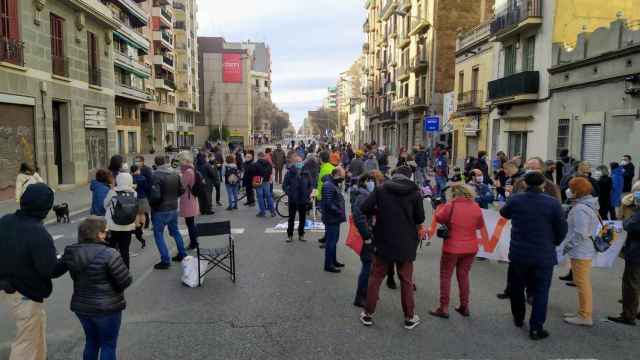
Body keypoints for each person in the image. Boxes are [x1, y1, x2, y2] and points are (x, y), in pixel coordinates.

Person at [499, 172, 568, 340]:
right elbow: (562, 229)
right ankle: (536, 328)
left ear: (524, 184)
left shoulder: (516, 199)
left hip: (519, 253)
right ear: (543, 185)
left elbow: (504, 213)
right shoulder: (553, 203)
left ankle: (518, 317)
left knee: (516, 287)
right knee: (541, 292)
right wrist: (554, 242)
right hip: (544, 254)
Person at [52, 217, 132, 360]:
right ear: (99, 234)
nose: (108, 234)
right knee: (108, 344)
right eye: (106, 231)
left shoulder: (71, 252)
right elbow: (125, 281)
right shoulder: (110, 253)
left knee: (92, 341)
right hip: (107, 307)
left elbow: (55, 271)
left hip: (81, 306)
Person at [360, 166, 425, 330]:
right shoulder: (415, 192)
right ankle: (409, 317)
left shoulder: (381, 189)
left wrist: (379, 212)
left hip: (383, 238)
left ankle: (367, 313)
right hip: (406, 241)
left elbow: (364, 207)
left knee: (376, 276)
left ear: (394, 175)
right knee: (406, 280)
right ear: (409, 177)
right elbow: (420, 217)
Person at [0, 183, 56, 360]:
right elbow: (49, 269)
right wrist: (70, 259)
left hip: (5, 284)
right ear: (45, 208)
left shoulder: (5, 220)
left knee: (36, 331)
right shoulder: (38, 233)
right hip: (24, 292)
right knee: (26, 341)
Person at [429, 184, 485, 319]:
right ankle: (464, 306)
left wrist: (439, 207)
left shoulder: (451, 205)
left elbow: (439, 218)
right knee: (463, 276)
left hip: (452, 247)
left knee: (446, 276)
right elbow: (480, 225)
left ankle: (443, 307)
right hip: (471, 247)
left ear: (453, 193)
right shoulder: (476, 206)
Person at [562, 177, 599, 327]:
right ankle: (582, 311)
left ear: (577, 191)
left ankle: (585, 315)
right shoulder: (587, 205)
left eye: (571, 188)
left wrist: (567, 246)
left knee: (582, 283)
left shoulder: (580, 209)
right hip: (583, 249)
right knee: (580, 281)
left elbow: (580, 232)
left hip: (581, 250)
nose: (569, 191)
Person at [148, 156, 188, 270]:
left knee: (158, 234)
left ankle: (165, 260)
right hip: (173, 207)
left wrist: (152, 204)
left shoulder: (155, 175)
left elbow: (155, 196)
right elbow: (182, 190)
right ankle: (182, 253)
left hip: (160, 210)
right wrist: (174, 198)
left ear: (156, 163)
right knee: (175, 232)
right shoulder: (175, 174)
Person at [608, 191, 640, 325]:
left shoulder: (637, 216)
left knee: (630, 284)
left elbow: (628, 225)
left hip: (636, 253)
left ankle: (628, 315)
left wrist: (628, 214)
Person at [351, 173, 381, 307]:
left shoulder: (364, 194)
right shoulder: (363, 196)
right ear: (367, 181)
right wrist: (367, 236)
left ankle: (366, 293)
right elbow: (359, 217)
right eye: (374, 181)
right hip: (367, 237)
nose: (375, 184)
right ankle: (361, 297)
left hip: (369, 234)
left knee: (369, 266)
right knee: (367, 267)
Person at [104, 172, 137, 268]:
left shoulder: (113, 192)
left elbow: (105, 205)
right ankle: (126, 271)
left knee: (110, 250)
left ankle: (110, 270)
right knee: (124, 250)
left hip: (113, 225)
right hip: (127, 226)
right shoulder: (134, 193)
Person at [320, 167, 347, 273]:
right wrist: (339, 211)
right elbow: (328, 203)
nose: (343, 179)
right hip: (332, 218)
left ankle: (333, 260)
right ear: (336, 175)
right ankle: (328, 264)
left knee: (334, 241)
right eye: (342, 177)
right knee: (331, 242)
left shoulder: (333, 184)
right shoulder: (328, 185)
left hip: (335, 218)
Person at [283, 156, 313, 243]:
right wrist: (290, 193)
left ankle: (301, 234)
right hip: (293, 199)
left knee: (302, 218)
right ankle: (290, 235)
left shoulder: (306, 173)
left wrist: (307, 193)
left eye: (300, 161)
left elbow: (310, 185)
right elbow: (285, 185)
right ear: (294, 162)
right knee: (291, 218)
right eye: (297, 161)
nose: (299, 163)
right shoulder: (289, 173)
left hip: (303, 199)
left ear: (302, 162)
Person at [176, 151, 200, 250]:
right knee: (190, 222)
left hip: (188, 199)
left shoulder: (188, 172)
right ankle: (194, 241)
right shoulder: (190, 170)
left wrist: (179, 177)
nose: (179, 162)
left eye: (180, 160)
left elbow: (182, 185)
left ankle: (194, 242)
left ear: (185, 160)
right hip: (189, 198)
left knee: (190, 223)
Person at [131, 165, 150, 248]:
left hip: (134, 198)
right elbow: (146, 188)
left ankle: (137, 229)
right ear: (137, 170)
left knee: (136, 214)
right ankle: (142, 229)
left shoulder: (130, 178)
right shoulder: (142, 178)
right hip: (143, 198)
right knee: (142, 214)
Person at [134, 156, 153, 229]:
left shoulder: (147, 169)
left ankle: (146, 225)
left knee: (144, 211)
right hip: (136, 193)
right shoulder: (135, 168)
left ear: (142, 161)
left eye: (138, 161)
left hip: (144, 193)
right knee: (139, 211)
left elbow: (150, 181)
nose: (137, 162)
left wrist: (146, 190)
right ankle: (139, 225)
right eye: (136, 161)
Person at [255, 152, 276, 217]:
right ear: (264, 156)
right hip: (266, 181)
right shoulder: (268, 164)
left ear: (258, 156)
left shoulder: (256, 164)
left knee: (260, 197)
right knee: (268, 196)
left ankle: (262, 212)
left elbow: (253, 173)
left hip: (258, 181)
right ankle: (272, 212)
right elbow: (270, 172)